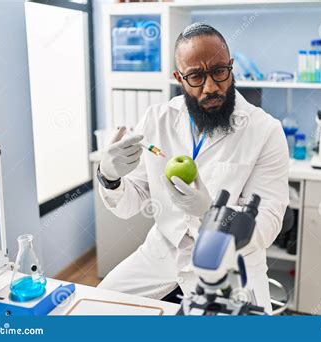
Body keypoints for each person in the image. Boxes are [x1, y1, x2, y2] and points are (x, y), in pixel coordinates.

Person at [97, 22, 289, 313]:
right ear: (179, 77)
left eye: (219, 72)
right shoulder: (157, 119)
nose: (211, 87)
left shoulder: (265, 130)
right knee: (99, 306)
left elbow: (266, 227)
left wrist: (211, 214)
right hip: (164, 248)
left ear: (231, 67)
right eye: (197, 76)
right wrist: (109, 176)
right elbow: (129, 204)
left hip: (231, 260)